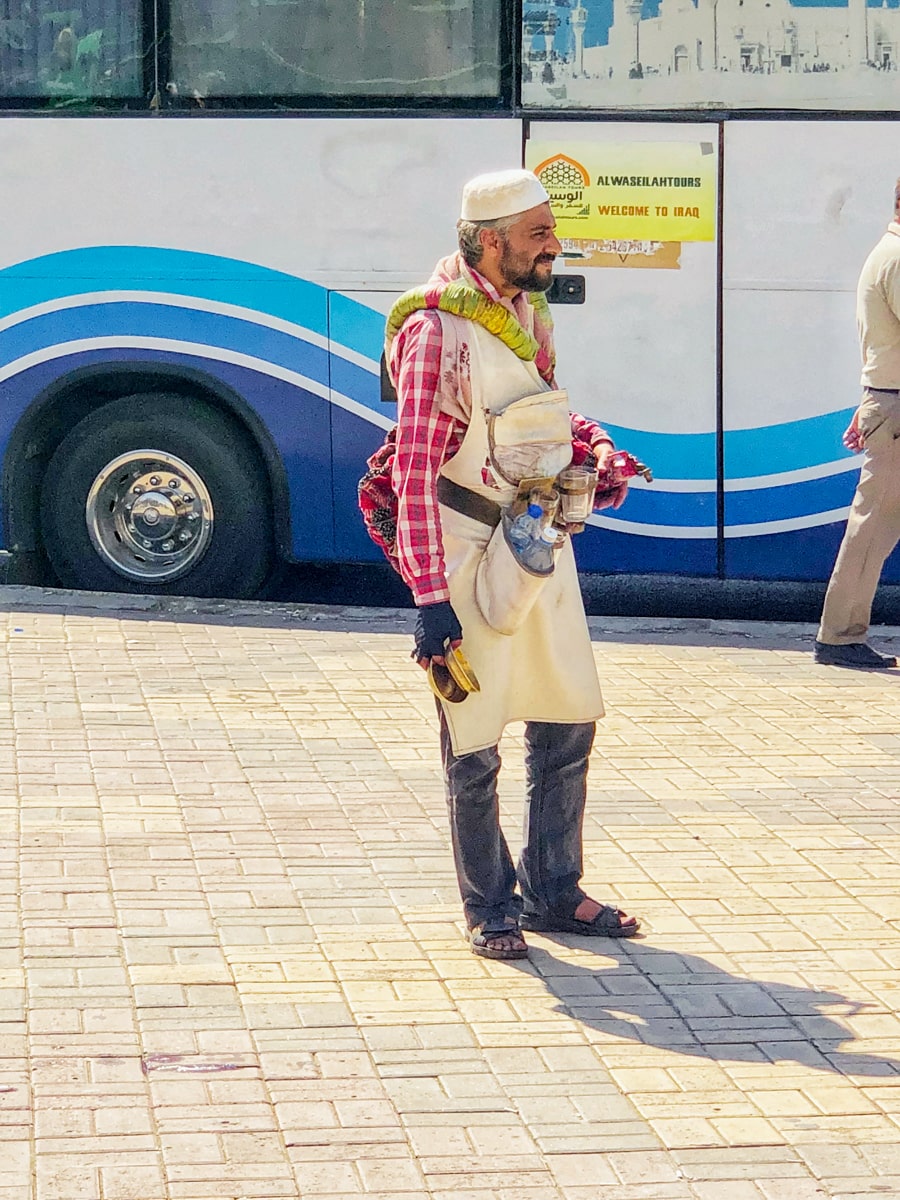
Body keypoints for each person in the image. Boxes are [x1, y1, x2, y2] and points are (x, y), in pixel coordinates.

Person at [387, 168, 640, 960]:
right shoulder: (437, 333)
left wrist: (591, 443)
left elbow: (540, 409)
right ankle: (490, 908)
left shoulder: (524, 314)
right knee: (474, 742)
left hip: (537, 551)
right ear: (489, 241)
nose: (553, 245)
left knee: (567, 724)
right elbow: (412, 471)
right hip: (467, 559)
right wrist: (431, 601)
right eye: (538, 233)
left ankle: (554, 894)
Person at [814, 179, 900, 670]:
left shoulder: (886, 252)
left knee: (874, 525)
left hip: (887, 403)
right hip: (895, 410)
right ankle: (840, 637)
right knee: (872, 529)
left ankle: (841, 636)